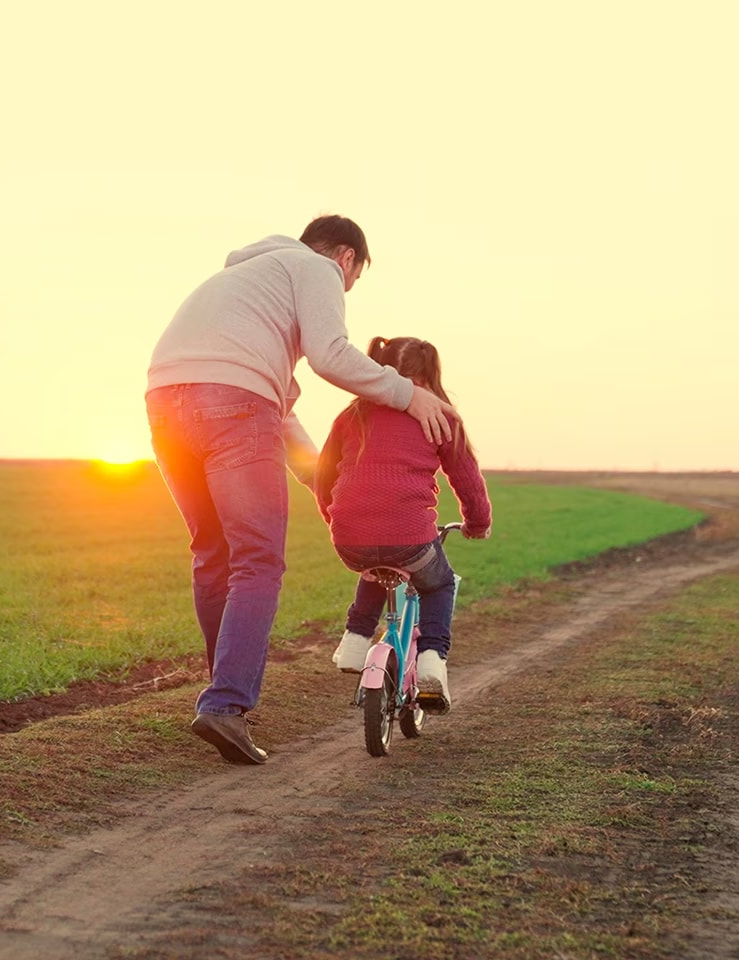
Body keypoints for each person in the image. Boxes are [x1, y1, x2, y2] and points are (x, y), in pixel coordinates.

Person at [146, 216, 455, 765]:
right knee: (257, 561)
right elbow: (330, 354)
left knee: (212, 553)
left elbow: (277, 405)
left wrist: (315, 473)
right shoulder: (315, 268)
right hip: (235, 406)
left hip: (165, 401)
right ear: (346, 258)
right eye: (352, 281)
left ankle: (222, 697)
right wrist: (410, 395)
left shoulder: (245, 283)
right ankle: (225, 704)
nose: (345, 291)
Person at [314, 336, 492, 714]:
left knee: (374, 566)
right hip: (410, 538)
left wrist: (335, 517)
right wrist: (478, 523)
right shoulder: (441, 416)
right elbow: (467, 478)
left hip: (349, 536)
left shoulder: (351, 416)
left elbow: (323, 476)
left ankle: (355, 640)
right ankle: (432, 660)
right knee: (439, 583)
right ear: (431, 373)